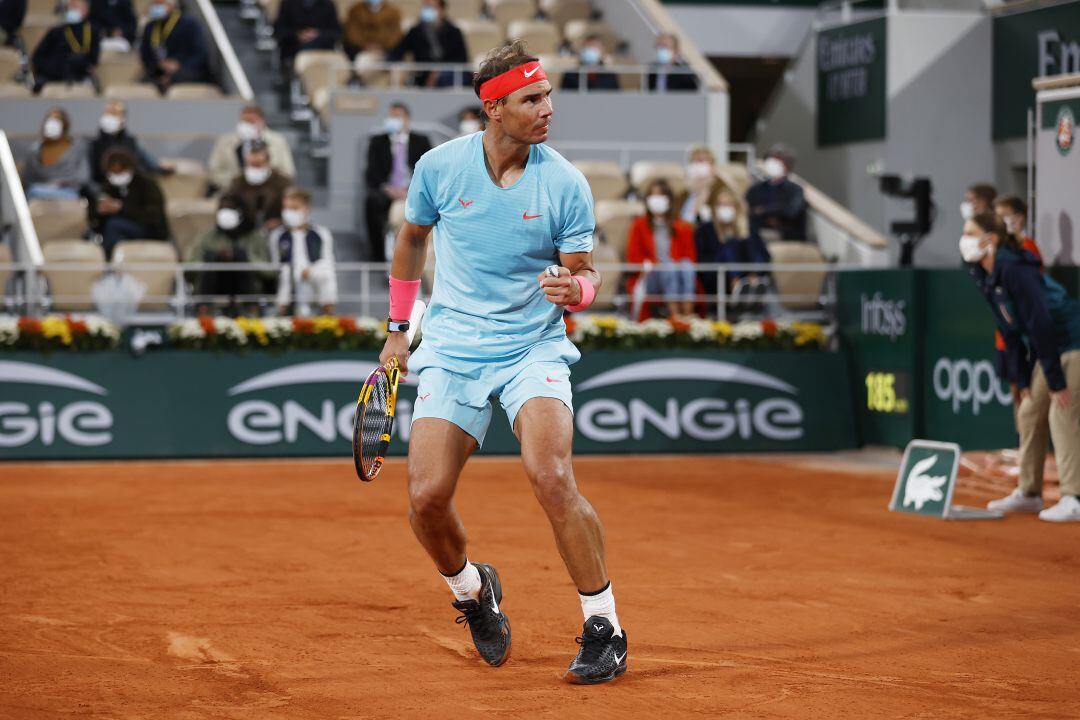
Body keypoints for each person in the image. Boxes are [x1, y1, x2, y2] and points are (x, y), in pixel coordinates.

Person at [378, 40, 628, 684]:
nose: (548, 109)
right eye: (532, 99)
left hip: (532, 348)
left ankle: (605, 624)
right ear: (494, 109)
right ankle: (471, 590)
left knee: (551, 476)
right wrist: (398, 330)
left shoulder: (566, 182)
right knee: (427, 498)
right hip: (455, 346)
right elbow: (411, 241)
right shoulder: (439, 167)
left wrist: (579, 291)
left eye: (547, 96)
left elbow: (585, 275)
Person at [962, 212, 1080, 522]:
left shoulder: (1015, 269)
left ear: (991, 239)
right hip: (1051, 348)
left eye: (970, 233)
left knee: (1062, 410)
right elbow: (1009, 329)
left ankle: (1074, 497)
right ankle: (1030, 493)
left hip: (1073, 340)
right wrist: (1022, 376)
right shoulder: (984, 274)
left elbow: (1040, 323)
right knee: (1028, 411)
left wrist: (1055, 380)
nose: (964, 240)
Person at [364, 102, 431, 261]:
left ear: (407, 119)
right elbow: (371, 171)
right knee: (371, 202)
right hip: (387, 192)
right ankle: (378, 257)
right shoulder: (377, 141)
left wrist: (409, 189)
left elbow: (428, 170)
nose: (392, 120)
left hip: (414, 191)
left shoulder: (421, 141)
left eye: (397, 116)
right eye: (390, 116)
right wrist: (387, 188)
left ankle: (419, 255)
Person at [186, 194, 271, 316]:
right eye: (222, 209)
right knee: (210, 256)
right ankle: (204, 309)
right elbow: (190, 268)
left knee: (241, 256)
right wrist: (216, 258)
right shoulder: (207, 237)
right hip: (214, 286)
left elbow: (269, 272)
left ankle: (252, 310)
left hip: (247, 289)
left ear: (241, 212)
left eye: (230, 209)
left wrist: (244, 257)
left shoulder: (256, 238)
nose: (225, 213)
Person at [627, 178, 697, 319]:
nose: (657, 199)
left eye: (661, 195)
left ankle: (688, 314)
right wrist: (651, 264)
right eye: (653, 195)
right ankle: (675, 315)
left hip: (677, 272)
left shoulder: (682, 226)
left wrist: (678, 264)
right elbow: (633, 256)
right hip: (651, 275)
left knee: (687, 266)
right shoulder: (639, 225)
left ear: (669, 200)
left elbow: (690, 256)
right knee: (668, 266)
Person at [89, 147, 169, 259]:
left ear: (129, 169)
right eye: (113, 172)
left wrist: (121, 208)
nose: (117, 176)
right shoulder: (107, 186)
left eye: (120, 171)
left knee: (114, 226)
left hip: (148, 229)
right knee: (98, 233)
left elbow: (153, 216)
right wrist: (99, 211)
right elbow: (95, 219)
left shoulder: (146, 185)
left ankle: (109, 263)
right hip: (118, 230)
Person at [693, 187, 766, 308]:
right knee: (727, 248)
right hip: (715, 275)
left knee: (748, 241)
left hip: (746, 275)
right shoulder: (705, 230)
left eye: (728, 205)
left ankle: (752, 284)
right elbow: (700, 259)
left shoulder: (748, 228)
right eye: (720, 205)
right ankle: (737, 285)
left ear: (736, 207)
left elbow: (762, 254)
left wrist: (754, 272)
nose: (724, 209)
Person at [269, 187, 336, 315]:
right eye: (286, 209)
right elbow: (276, 262)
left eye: (294, 208)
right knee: (286, 273)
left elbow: (328, 260)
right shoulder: (277, 236)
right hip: (290, 272)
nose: (289, 213)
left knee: (327, 275)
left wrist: (310, 270)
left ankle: (329, 316)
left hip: (314, 272)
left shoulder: (321, 233)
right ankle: (282, 314)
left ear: (307, 209)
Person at [207, 106, 296, 193]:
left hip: (269, 192)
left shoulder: (278, 141)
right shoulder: (224, 141)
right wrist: (237, 183)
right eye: (244, 121)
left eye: (251, 121)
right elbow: (214, 171)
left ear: (262, 121)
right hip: (232, 191)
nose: (247, 125)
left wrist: (266, 182)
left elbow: (288, 172)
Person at [88, 100, 173, 186]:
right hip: (104, 186)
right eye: (110, 113)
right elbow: (92, 175)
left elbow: (144, 161)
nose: (112, 117)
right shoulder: (94, 144)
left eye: (116, 113)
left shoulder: (130, 141)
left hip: (130, 185)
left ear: (123, 118)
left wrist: (160, 168)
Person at [387, 0, 467, 88]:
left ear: (442, 10)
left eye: (432, 7)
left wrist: (439, 72)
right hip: (422, 76)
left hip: (448, 76)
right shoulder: (416, 32)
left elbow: (462, 59)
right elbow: (397, 52)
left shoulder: (454, 32)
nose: (428, 10)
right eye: (426, 7)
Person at [139, 0, 211, 92]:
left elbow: (200, 54)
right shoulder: (150, 27)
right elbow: (145, 55)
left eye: (160, 4)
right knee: (146, 81)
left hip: (187, 68)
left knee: (178, 78)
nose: (156, 7)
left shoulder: (189, 24)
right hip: (160, 69)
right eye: (154, 4)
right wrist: (159, 65)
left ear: (171, 5)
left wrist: (179, 65)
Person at [30, 0, 100, 92]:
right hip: (52, 77)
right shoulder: (57, 31)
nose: (71, 10)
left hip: (78, 77)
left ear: (86, 10)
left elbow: (93, 59)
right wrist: (53, 69)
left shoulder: (92, 31)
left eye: (75, 7)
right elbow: (37, 57)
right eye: (69, 7)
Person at [22, 107, 90, 201]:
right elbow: (28, 178)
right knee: (33, 192)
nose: (52, 123)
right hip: (38, 191)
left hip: (69, 192)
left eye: (57, 119)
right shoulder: (35, 150)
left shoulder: (77, 148)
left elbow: (83, 177)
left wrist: (59, 184)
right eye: (50, 119)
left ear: (64, 125)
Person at [745, 142, 806, 243]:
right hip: (757, 233)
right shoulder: (755, 189)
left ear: (787, 166)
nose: (772, 163)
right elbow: (748, 210)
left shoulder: (795, 190)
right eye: (770, 159)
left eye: (778, 160)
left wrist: (763, 210)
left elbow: (791, 211)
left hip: (785, 235)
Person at [226, 141, 291, 231]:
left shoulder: (282, 182)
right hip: (245, 229)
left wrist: (280, 221)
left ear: (267, 161)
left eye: (259, 164)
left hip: (276, 228)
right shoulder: (237, 182)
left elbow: (291, 206)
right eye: (252, 164)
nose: (255, 168)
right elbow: (228, 203)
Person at [273, 0, 340, 67]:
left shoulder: (327, 4)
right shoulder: (287, 4)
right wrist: (298, 35)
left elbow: (336, 32)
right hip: (293, 51)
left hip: (322, 51)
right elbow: (279, 31)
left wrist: (317, 34)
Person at [680, 144, 731, 224]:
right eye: (694, 161)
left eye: (701, 160)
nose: (698, 165)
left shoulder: (720, 183)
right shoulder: (683, 187)